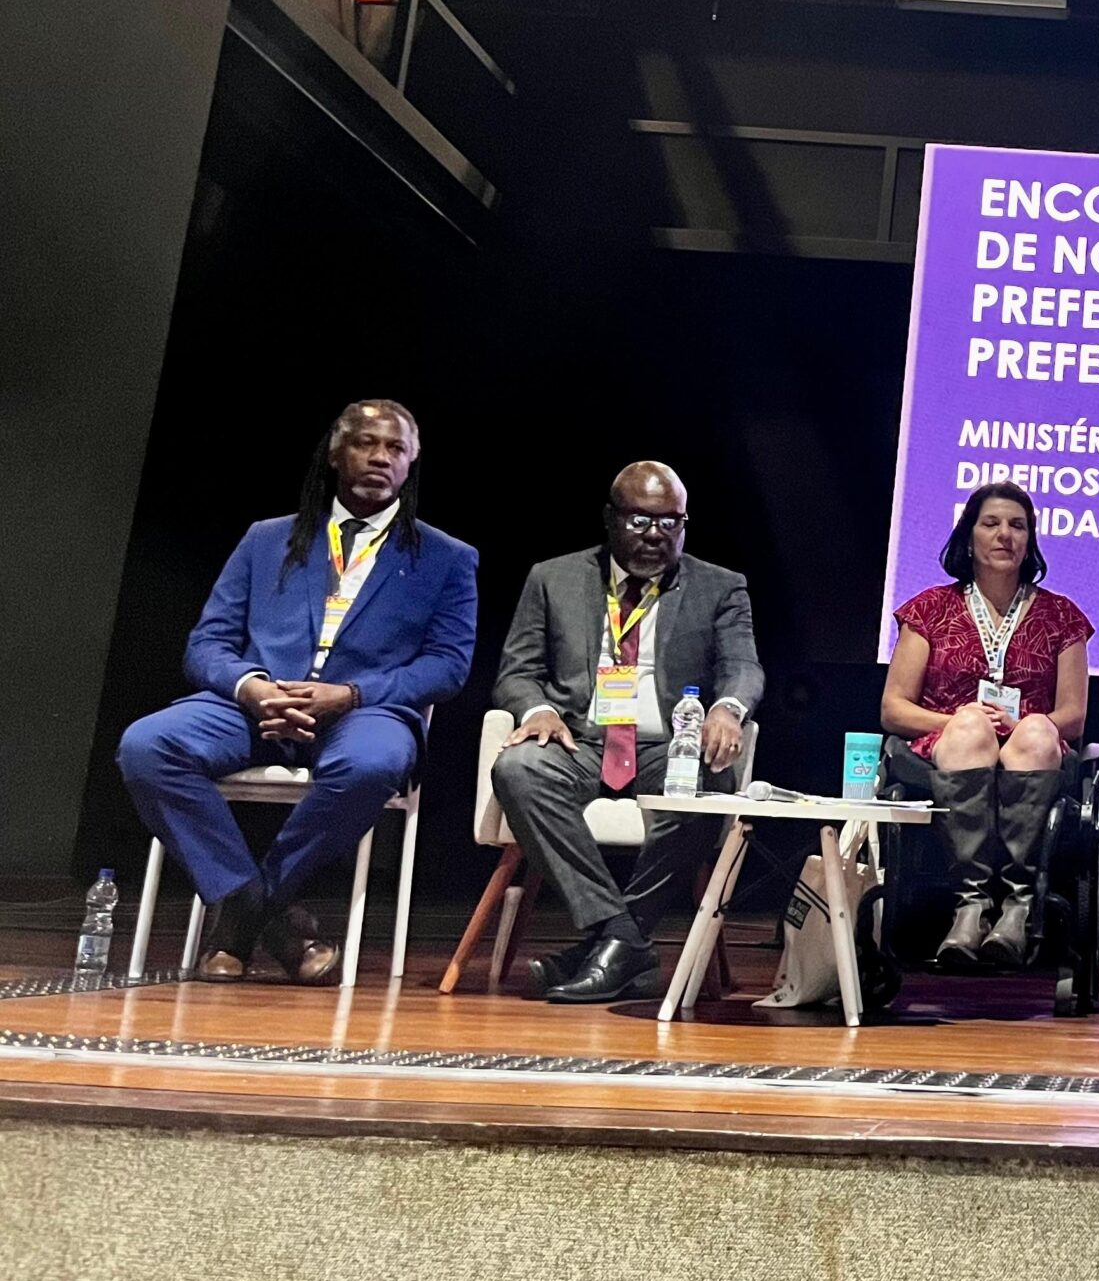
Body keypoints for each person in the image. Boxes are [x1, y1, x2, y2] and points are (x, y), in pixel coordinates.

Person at [116, 401, 477, 984]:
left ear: (411, 463)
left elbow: (447, 667)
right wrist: (250, 685)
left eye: (395, 448)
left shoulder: (446, 558)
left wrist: (352, 693)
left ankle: (246, 913)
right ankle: (258, 905)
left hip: (364, 711)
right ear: (336, 454)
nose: (380, 457)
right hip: (257, 704)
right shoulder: (267, 539)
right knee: (147, 745)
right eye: (365, 443)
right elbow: (206, 643)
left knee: (374, 762)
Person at [490, 461, 763, 1005]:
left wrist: (728, 708)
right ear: (610, 520)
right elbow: (516, 672)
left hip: (669, 745)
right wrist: (536, 710)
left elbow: (743, 667)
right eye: (640, 521)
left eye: (670, 523)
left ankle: (615, 945)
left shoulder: (720, 587)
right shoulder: (554, 577)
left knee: (711, 784)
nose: (656, 536)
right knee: (517, 769)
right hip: (579, 741)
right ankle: (622, 937)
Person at [882, 482, 1093, 971]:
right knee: (973, 727)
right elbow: (894, 708)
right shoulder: (929, 610)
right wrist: (959, 719)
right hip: (949, 742)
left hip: (1031, 746)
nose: (1005, 536)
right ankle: (971, 903)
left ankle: (1020, 904)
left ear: (1031, 539)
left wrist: (1022, 723)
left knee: (1040, 732)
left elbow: (1073, 716)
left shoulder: (1062, 616)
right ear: (969, 535)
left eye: (1017, 526)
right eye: (991, 523)